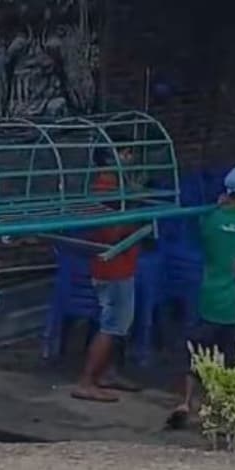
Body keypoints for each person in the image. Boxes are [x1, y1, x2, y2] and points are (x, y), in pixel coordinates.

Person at [167, 163, 235, 428]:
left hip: (208, 297)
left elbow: (210, 235)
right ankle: (225, 408)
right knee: (233, 358)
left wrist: (220, 207)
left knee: (196, 355)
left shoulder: (209, 219)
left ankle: (185, 402)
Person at [71, 147, 142, 403]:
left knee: (119, 325)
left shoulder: (119, 183)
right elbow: (110, 233)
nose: (129, 157)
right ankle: (86, 381)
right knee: (112, 325)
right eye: (124, 153)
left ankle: (107, 373)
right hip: (112, 269)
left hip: (122, 265)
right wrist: (135, 220)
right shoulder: (105, 187)